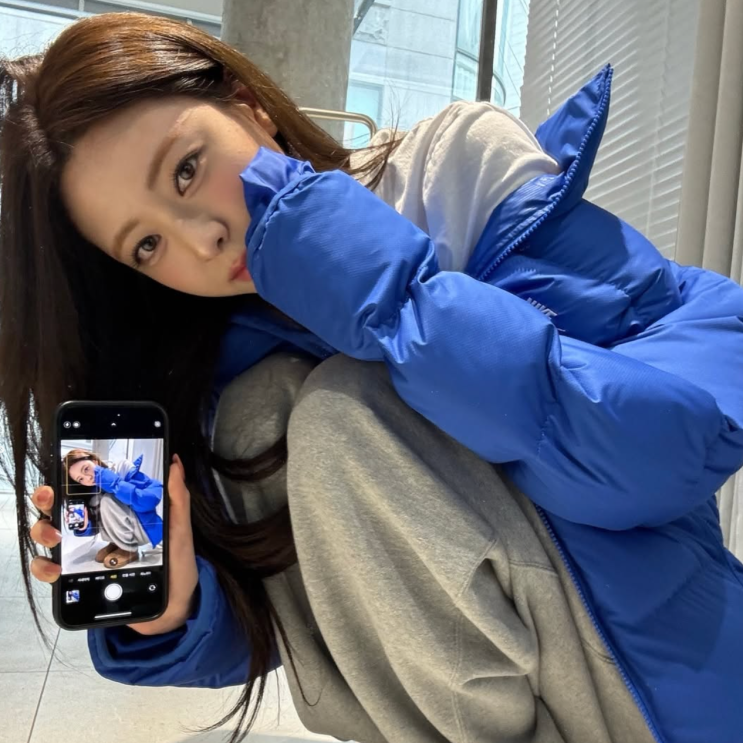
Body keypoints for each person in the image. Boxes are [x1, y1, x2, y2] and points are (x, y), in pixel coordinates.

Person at [1, 11, 741, 743]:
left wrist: (373, 286)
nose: (202, 240)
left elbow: (659, 459)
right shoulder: (223, 369)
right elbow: (324, 628)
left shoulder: (453, 172)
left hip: (655, 693)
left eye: (187, 170)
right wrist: (180, 608)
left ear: (246, 104)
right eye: (147, 244)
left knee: (343, 408)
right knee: (262, 415)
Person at [62, 448, 163, 568]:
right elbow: (99, 523)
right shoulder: (92, 491)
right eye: (80, 479)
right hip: (128, 531)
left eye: (86, 469)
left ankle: (128, 548)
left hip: (145, 528)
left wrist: (113, 483)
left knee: (107, 500)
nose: (87, 478)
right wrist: (84, 526)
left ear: (94, 461)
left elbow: (149, 500)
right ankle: (117, 543)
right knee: (101, 501)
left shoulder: (122, 469)